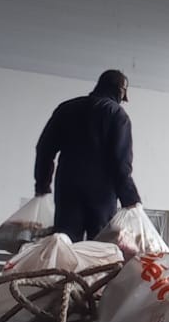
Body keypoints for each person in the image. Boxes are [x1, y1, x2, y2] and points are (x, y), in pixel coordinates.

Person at [34, 69, 142, 240]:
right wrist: (130, 200)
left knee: (64, 243)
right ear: (120, 90)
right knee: (98, 249)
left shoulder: (66, 109)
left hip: (68, 187)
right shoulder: (116, 115)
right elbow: (120, 163)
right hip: (101, 193)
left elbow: (44, 149)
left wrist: (42, 184)